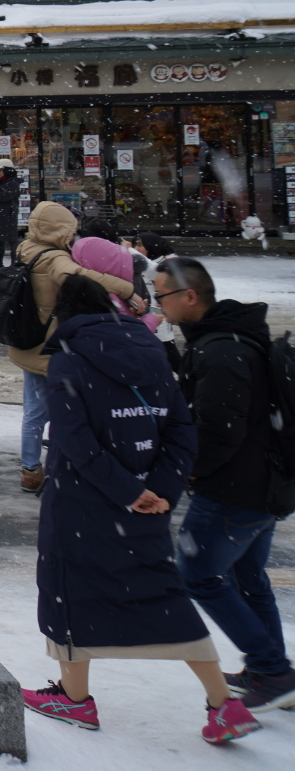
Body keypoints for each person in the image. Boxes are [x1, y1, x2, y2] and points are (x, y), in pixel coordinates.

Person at [20, 275, 259, 745]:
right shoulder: (152, 351)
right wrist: (159, 490)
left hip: (83, 504)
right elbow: (181, 430)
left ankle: (74, 698)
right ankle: (222, 703)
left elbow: (74, 440)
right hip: (148, 506)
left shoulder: (68, 361)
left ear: (64, 315)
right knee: (163, 597)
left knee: (67, 589)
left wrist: (126, 491)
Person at [156, 255, 295, 712]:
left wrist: (190, 470)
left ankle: (272, 668)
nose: (159, 305)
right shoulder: (234, 336)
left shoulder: (221, 351)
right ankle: (271, 670)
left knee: (197, 575)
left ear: (189, 296)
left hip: (235, 491)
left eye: (162, 296)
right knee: (249, 577)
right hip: (265, 484)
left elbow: (218, 431)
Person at [10, 201, 137, 494]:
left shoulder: (25, 248)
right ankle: (56, 467)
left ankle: (30, 468)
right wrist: (127, 289)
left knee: (32, 410)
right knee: (59, 410)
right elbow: (82, 278)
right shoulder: (55, 259)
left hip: (26, 339)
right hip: (49, 347)